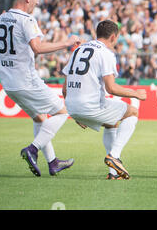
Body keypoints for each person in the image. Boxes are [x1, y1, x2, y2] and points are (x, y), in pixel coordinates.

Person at [0, 0, 81, 177]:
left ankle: (53, 162)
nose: (37, 2)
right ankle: (32, 149)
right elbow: (37, 48)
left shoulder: (0, 19)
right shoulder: (27, 20)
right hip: (26, 80)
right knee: (62, 112)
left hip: (9, 84)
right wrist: (67, 43)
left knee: (39, 118)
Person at [61, 20, 146, 180]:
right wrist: (136, 94)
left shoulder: (78, 50)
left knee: (111, 122)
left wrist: (75, 113)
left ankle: (113, 174)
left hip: (72, 106)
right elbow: (111, 88)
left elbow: (64, 89)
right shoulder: (106, 53)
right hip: (89, 105)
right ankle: (114, 156)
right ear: (113, 37)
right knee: (132, 112)